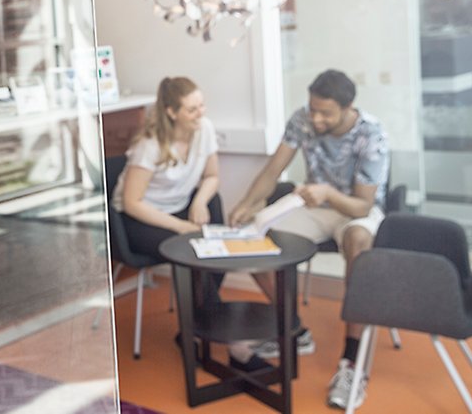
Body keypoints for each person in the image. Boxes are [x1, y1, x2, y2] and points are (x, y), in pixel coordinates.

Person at [228, 69, 389, 410]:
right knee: (255, 240)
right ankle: (295, 331)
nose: (315, 118)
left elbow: (363, 203)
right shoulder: (302, 119)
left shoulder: (371, 134)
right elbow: (272, 171)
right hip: (314, 205)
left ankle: (351, 361)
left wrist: (328, 191)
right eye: (313, 108)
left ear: (348, 108)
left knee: (358, 243)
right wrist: (247, 205)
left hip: (353, 209)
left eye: (325, 113)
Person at [112, 76, 224, 308]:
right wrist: (180, 227)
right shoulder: (150, 145)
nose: (200, 113)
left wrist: (199, 202)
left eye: (201, 105)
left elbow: (212, 176)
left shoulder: (205, 129)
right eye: (192, 109)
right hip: (138, 219)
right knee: (193, 250)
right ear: (172, 112)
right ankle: (204, 324)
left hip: (178, 206)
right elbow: (132, 202)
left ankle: (202, 316)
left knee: (217, 238)